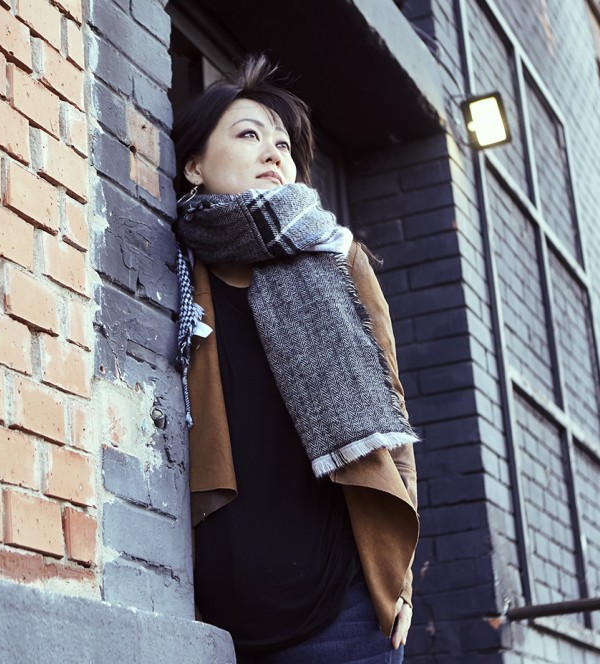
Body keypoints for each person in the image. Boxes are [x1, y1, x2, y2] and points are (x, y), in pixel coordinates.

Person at [172, 55, 420, 664]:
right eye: (248, 134)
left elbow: (392, 424)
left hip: (345, 617)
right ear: (194, 165)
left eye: (282, 143)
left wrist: (399, 578)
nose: (272, 153)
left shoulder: (336, 261)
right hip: (213, 625)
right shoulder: (171, 270)